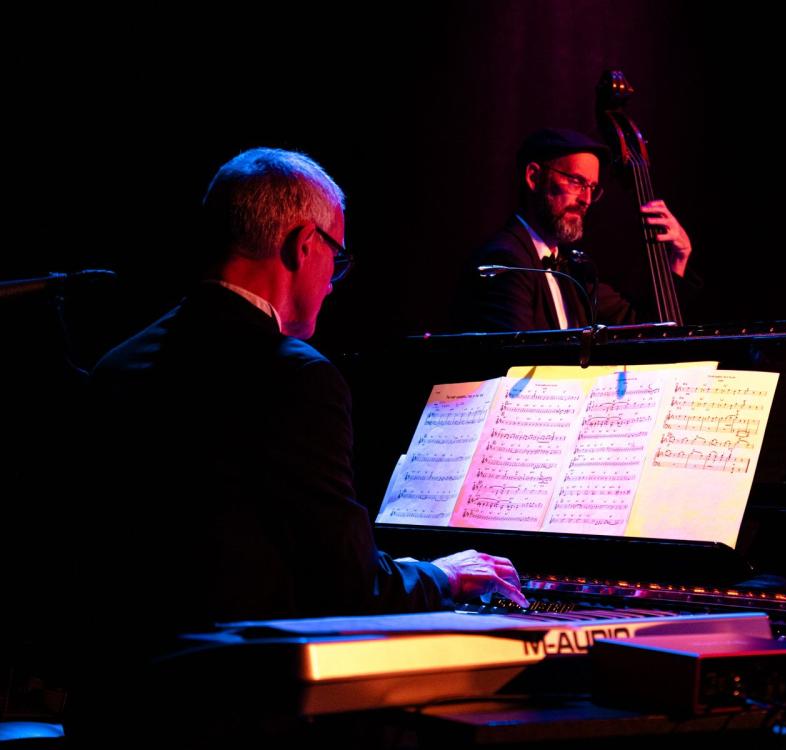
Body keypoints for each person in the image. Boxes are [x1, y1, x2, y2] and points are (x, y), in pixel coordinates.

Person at [85, 148, 527, 640]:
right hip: (239, 679)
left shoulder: (116, 365)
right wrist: (443, 576)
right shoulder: (295, 376)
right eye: (336, 257)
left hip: (120, 674)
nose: (332, 285)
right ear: (303, 245)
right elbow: (352, 588)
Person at [457, 128, 694, 331]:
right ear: (534, 177)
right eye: (577, 182)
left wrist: (678, 259)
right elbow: (517, 361)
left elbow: (643, 325)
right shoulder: (505, 260)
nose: (586, 200)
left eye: (592, 188)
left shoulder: (573, 269)